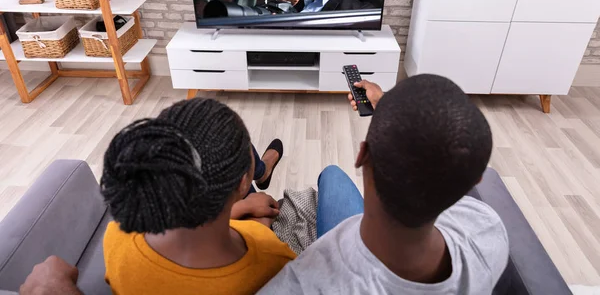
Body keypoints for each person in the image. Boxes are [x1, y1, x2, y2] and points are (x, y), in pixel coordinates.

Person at [259, 74, 509, 294]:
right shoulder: (486, 229)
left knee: (331, 175)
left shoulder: (301, 283)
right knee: (332, 176)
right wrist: (386, 109)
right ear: (474, 182)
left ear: (362, 156)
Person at [101, 98, 295, 295]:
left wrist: (244, 207)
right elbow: (254, 243)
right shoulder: (273, 262)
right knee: (234, 142)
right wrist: (260, 217)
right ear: (243, 182)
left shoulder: (118, 235)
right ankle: (261, 170)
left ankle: (260, 169)